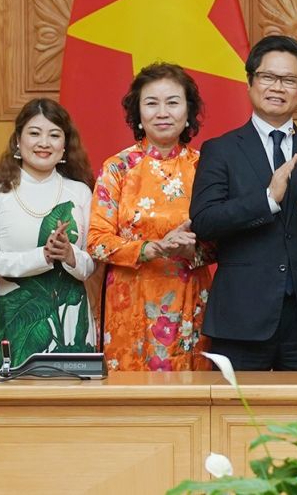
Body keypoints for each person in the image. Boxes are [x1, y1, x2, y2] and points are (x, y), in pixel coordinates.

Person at [190, 35, 297, 371]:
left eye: (289, 80)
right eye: (268, 77)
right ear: (250, 82)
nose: (278, 87)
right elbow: (204, 220)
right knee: (236, 420)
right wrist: (267, 200)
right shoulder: (221, 149)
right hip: (241, 317)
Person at [88, 63, 214, 372]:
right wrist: (151, 248)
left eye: (172, 102)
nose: (163, 112)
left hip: (189, 299)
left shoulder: (207, 167)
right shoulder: (118, 167)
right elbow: (96, 242)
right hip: (129, 302)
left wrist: (193, 251)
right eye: (151, 103)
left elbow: (225, 242)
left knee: (190, 400)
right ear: (138, 115)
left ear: (188, 112)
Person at [0, 98, 97, 366]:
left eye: (54, 135)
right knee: (16, 402)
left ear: (64, 145)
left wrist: (70, 255)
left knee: (74, 403)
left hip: (71, 321)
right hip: (19, 320)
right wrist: (43, 257)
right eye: (34, 133)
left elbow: (91, 264)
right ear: (18, 140)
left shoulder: (81, 192)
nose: (44, 143)